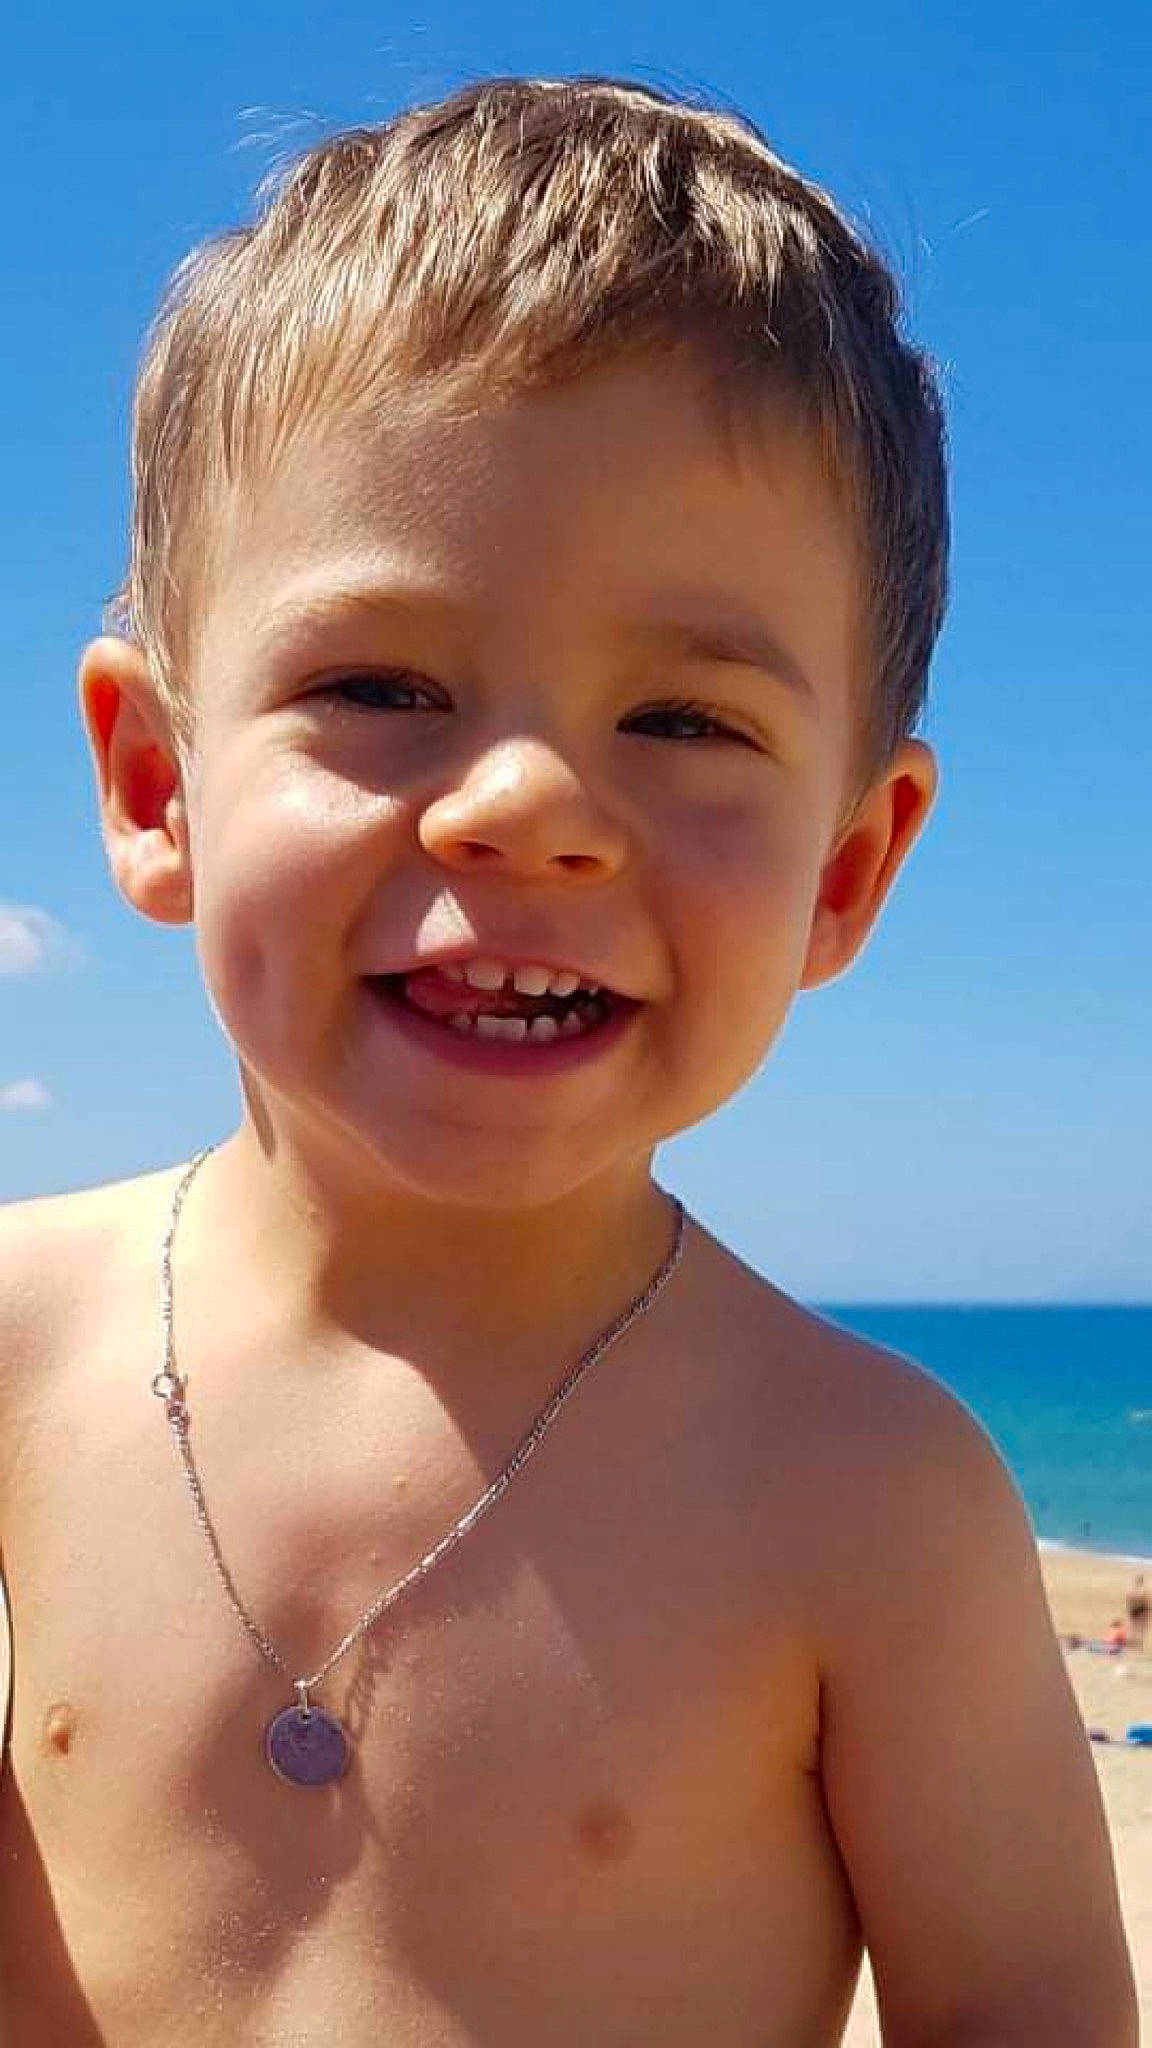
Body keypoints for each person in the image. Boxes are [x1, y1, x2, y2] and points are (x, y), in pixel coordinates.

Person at [0, 77, 1136, 2047]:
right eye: (381, 687)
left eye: (685, 719)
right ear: (156, 782)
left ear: (849, 869)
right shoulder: (18, 1354)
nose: (527, 805)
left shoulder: (872, 1499)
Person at [1126, 1573, 1149, 1652]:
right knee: (1140, 1627)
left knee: (1132, 1626)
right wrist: (1148, 1610)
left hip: (1133, 1608)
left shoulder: (1132, 1590)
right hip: (1141, 1609)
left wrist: (1129, 1608)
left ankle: (1132, 1642)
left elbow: (1128, 1599)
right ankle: (1139, 1644)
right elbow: (1145, 1601)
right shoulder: (1143, 1590)